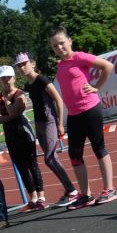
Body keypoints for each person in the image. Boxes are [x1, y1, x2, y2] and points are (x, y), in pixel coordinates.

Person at [49, 26, 117, 210]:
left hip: (90, 109)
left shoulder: (79, 57)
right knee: (74, 154)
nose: (60, 48)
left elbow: (107, 66)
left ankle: (109, 189)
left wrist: (97, 86)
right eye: (55, 46)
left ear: (69, 41)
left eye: (62, 43)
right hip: (74, 115)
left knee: (99, 147)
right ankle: (86, 195)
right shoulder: (60, 64)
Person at [14, 52, 79, 207]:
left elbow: (58, 98)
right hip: (39, 123)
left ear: (33, 63)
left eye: (24, 64)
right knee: (52, 159)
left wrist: (60, 123)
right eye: (19, 66)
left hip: (50, 121)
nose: (22, 68)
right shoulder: (28, 85)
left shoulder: (42, 80)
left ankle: (72, 190)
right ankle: (69, 190)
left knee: (49, 158)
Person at [0, 65, 47, 211]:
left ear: (14, 78)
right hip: (10, 135)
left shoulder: (20, 94)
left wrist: (6, 102)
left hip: (24, 133)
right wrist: (7, 112)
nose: (6, 81)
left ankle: (41, 197)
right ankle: (33, 197)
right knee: (21, 168)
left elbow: (14, 113)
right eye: (2, 78)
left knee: (32, 165)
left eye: (8, 78)